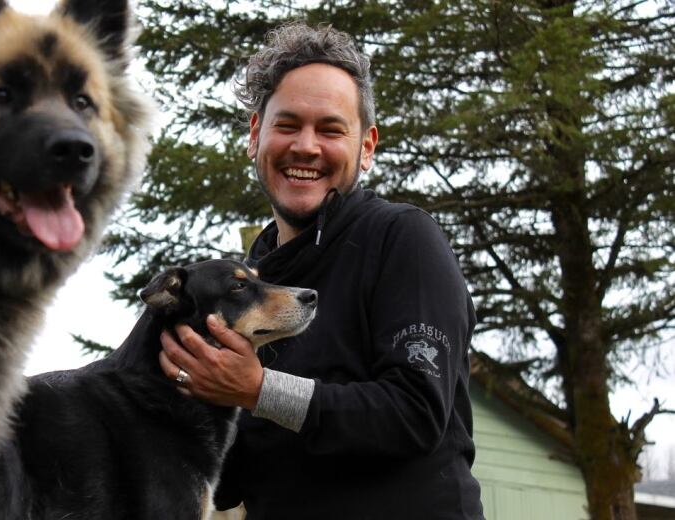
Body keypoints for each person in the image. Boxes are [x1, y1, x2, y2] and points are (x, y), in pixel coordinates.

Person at [158, 22, 484, 520]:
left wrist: (260, 390)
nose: (306, 147)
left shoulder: (403, 239)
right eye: (287, 125)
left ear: (367, 146)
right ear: (255, 135)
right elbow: (228, 483)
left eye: (331, 129)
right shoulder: (244, 287)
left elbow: (415, 414)